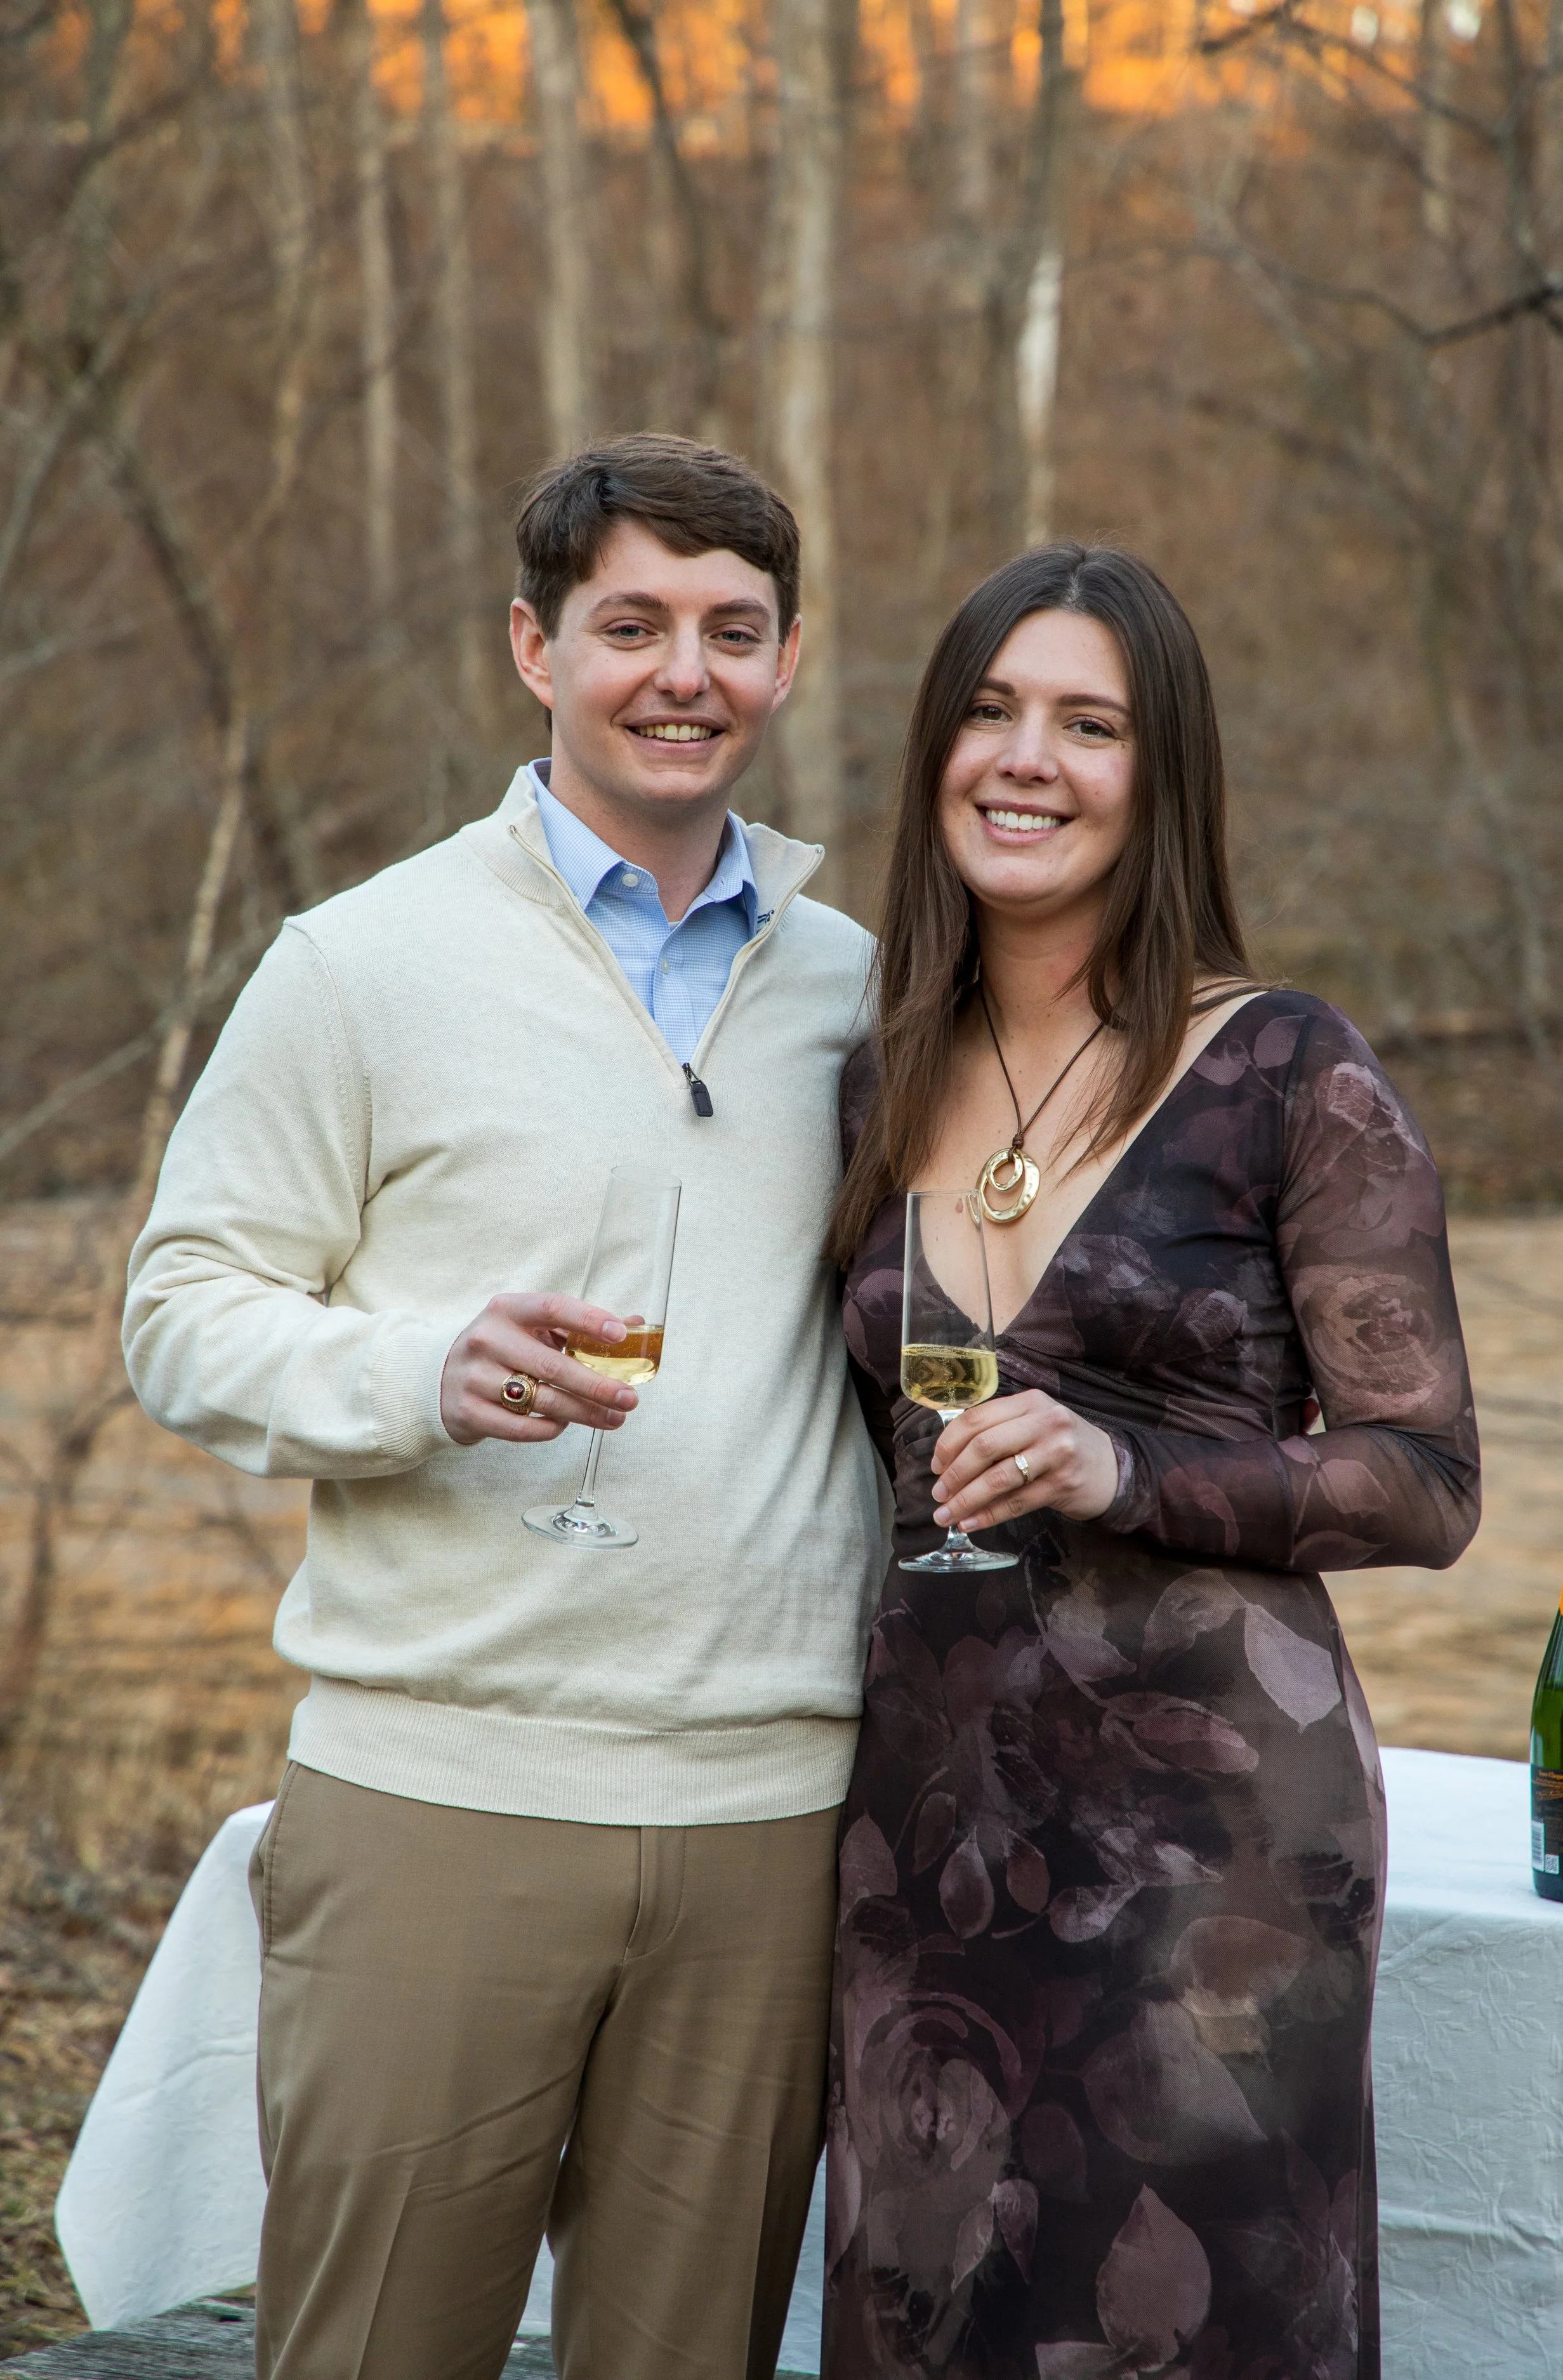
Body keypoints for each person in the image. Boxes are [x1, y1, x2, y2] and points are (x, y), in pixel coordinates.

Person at [122, 433, 888, 2380]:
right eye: (629, 624)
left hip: (768, 1814)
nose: (682, 672)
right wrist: (414, 1373)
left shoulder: (861, 992)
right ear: (531, 649)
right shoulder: (363, 963)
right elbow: (181, 1311)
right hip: (442, 1790)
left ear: (786, 662)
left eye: (731, 628)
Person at [821, 544, 1479, 2380]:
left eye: (1086, 724)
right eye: (987, 709)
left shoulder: (1285, 1072)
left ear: (1156, 771)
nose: (1023, 758)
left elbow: (1424, 1476)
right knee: (928, 2299)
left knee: (1181, 2326)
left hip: (1212, 1867)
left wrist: (1130, 1470)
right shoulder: (874, 1073)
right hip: (926, 1841)